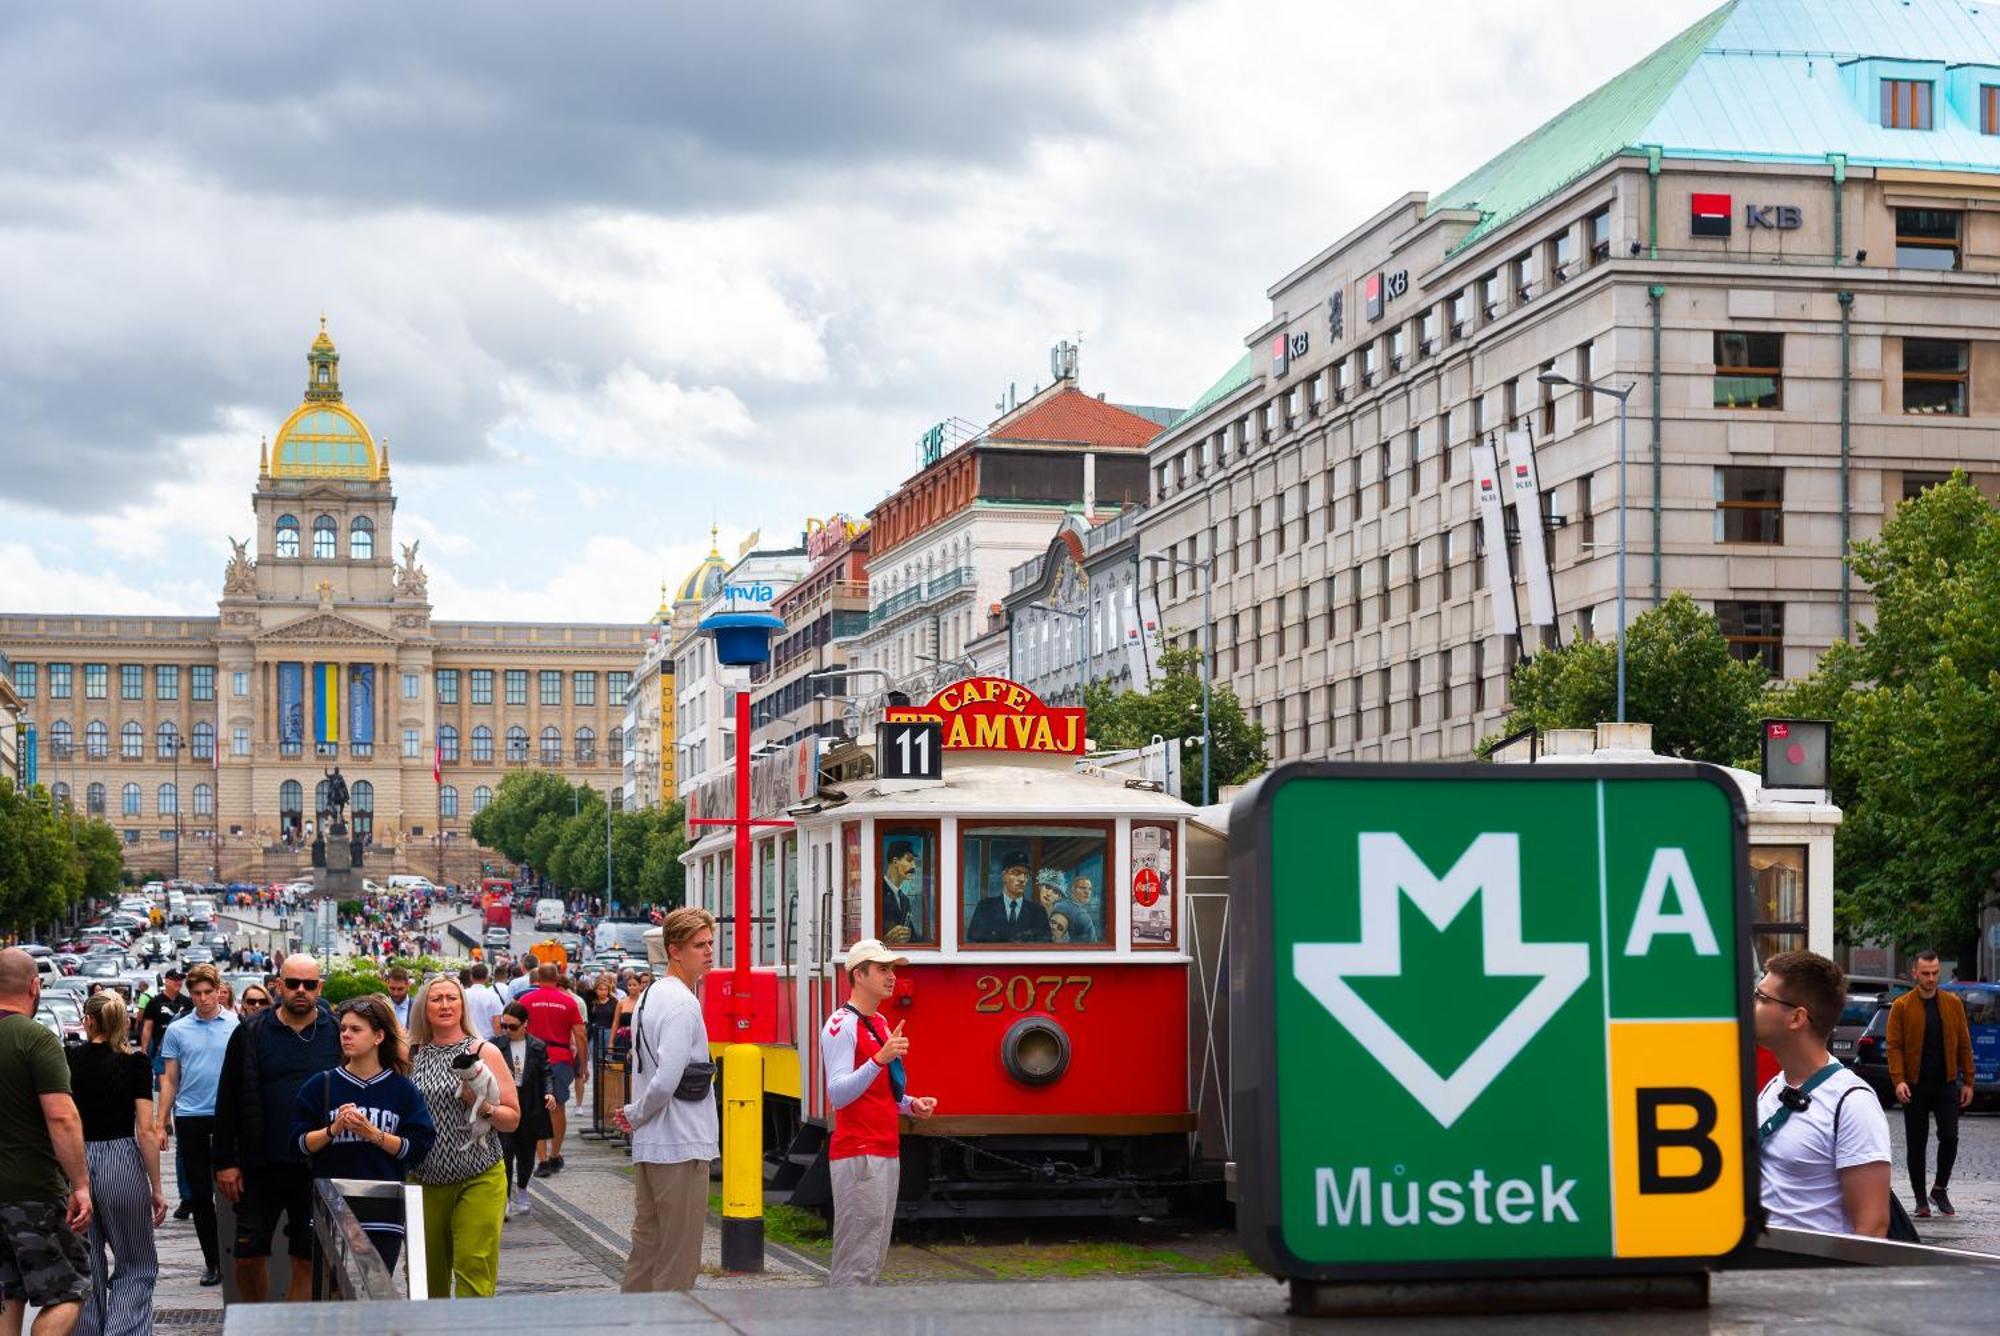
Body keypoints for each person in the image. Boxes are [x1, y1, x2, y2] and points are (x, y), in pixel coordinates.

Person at [210, 953, 339, 1303]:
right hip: (259, 1164)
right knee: (248, 1256)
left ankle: (290, 1329)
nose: (301, 991)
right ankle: (258, 1322)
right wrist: (225, 1161)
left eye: (309, 985)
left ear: (319, 988)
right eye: (293, 983)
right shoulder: (251, 1032)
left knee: (306, 1257)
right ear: (278, 985)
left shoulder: (336, 1033)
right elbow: (228, 1099)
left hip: (315, 1165)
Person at [821, 940, 936, 1287]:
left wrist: (911, 1104)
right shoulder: (841, 1025)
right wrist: (878, 1060)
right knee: (856, 1258)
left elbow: (882, 1088)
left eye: (893, 969)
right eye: (883, 969)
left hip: (883, 1149)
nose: (892, 976)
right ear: (859, 974)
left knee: (872, 1255)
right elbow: (838, 1093)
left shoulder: (880, 1022)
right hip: (859, 1152)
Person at [291, 996, 435, 1271]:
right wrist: (333, 1129)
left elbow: (419, 1147)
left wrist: (373, 1134)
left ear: (379, 1036)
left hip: (383, 1213)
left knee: (375, 1301)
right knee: (332, 1299)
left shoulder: (402, 1090)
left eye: (356, 1029)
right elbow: (298, 1144)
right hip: (332, 1209)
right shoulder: (321, 1085)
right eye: (343, 1028)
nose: (346, 1035)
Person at [614, 908, 717, 1293]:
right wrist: (635, 1114)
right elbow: (667, 1079)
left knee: (647, 1252)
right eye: (699, 945)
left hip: (654, 1146)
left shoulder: (651, 995)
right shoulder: (681, 1004)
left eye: (710, 943)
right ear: (674, 950)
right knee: (677, 1260)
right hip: (681, 1143)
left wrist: (638, 1117)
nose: (709, 951)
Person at [1753, 950, 1890, 1236]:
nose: (1750, 1005)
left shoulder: (1853, 1102)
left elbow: (1872, 1226)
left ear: (1796, 1018)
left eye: (1761, 998)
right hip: (1763, 1273)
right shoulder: (1773, 1087)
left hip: (1815, 1276)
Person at [407, 974, 520, 1298]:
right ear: (423, 1008)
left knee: (473, 1264)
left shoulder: (483, 1051)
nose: (445, 1005)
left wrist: (482, 1106)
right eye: (437, 998)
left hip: (478, 1175)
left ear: (462, 1005)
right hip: (425, 1179)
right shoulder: (411, 1053)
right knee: (425, 1278)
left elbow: (512, 1119)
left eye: (452, 998)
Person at [0, 948, 92, 1336]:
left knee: (7, 1293)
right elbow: (62, 1116)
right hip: (33, 1190)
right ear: (35, 986)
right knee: (69, 1288)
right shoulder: (36, 1039)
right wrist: (82, 1185)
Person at [68, 992, 164, 1336]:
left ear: (89, 1021)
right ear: (123, 1022)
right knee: (136, 1263)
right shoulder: (136, 1064)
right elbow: (147, 1131)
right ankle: (124, 1331)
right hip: (121, 1160)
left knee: (85, 1263)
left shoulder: (69, 1060)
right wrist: (157, 1187)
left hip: (77, 1162)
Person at [155, 965, 236, 1287]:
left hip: (227, 1116)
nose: (202, 999)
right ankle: (212, 1261)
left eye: (208, 992)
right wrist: (161, 1123)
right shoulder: (178, 1030)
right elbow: (170, 1078)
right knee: (200, 1195)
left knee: (232, 1191)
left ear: (218, 990)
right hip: (190, 1118)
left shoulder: (234, 1024)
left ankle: (236, 1257)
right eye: (197, 994)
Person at [1886, 950, 1975, 1218]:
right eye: (1925, 973)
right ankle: (1920, 1199)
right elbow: (1894, 1046)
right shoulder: (1901, 1006)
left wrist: (1968, 1080)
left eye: (1935, 972)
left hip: (1946, 1083)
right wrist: (1898, 1080)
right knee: (1916, 1143)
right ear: (1915, 973)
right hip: (1914, 1085)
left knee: (1950, 1136)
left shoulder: (1952, 1004)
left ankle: (1939, 1188)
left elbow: (1963, 1043)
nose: (1931, 978)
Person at [520, 964, 585, 1177]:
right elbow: (580, 1034)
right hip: (560, 1058)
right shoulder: (569, 1002)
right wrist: (583, 1064)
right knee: (557, 1107)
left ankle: (542, 1160)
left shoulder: (526, 1001)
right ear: (558, 978)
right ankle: (555, 1154)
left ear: (537, 978)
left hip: (533, 1058)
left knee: (536, 1109)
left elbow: (513, 1028)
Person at [493, 1004, 552, 1218]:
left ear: (525, 1024)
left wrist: (550, 1093)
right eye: (504, 1026)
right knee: (505, 1153)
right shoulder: (496, 1045)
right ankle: (505, 1198)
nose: (507, 1030)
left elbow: (546, 1073)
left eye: (513, 1026)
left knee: (526, 1155)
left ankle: (523, 1190)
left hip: (530, 1107)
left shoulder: (537, 1046)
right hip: (505, 1106)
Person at [965, 851, 1050, 943]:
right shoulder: (985, 908)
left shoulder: (1038, 912)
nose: (1022, 879)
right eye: (1016, 873)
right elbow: (973, 944)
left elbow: (1045, 948)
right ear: (1004, 876)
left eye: (1026, 874)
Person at [879, 841, 922, 946]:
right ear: (895, 862)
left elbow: (913, 937)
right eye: (909, 860)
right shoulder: (877, 893)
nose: (914, 867)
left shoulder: (904, 900)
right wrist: (885, 941)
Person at [463, 964, 505, 1041]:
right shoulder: (493, 996)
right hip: (488, 1041)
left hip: (467, 1040)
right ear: (487, 978)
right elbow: (497, 1024)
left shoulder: (463, 995)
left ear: (471, 977)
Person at [585, 973, 618, 1069]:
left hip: (609, 1032)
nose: (603, 992)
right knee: (596, 1062)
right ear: (596, 990)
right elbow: (589, 1019)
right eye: (600, 989)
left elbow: (616, 1020)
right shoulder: (592, 1003)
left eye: (605, 989)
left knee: (608, 1062)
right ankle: (597, 1083)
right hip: (595, 1033)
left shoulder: (614, 1002)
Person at [1065, 876, 1098, 943]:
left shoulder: (1061, 905)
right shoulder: (1081, 915)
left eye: (1090, 889)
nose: (1087, 892)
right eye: (1083, 888)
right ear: (1073, 889)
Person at [384, 967, 414, 1031]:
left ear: (408, 985)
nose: (396, 993)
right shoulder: (381, 1006)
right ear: (387, 984)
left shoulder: (418, 1007)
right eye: (392, 988)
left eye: (400, 989)